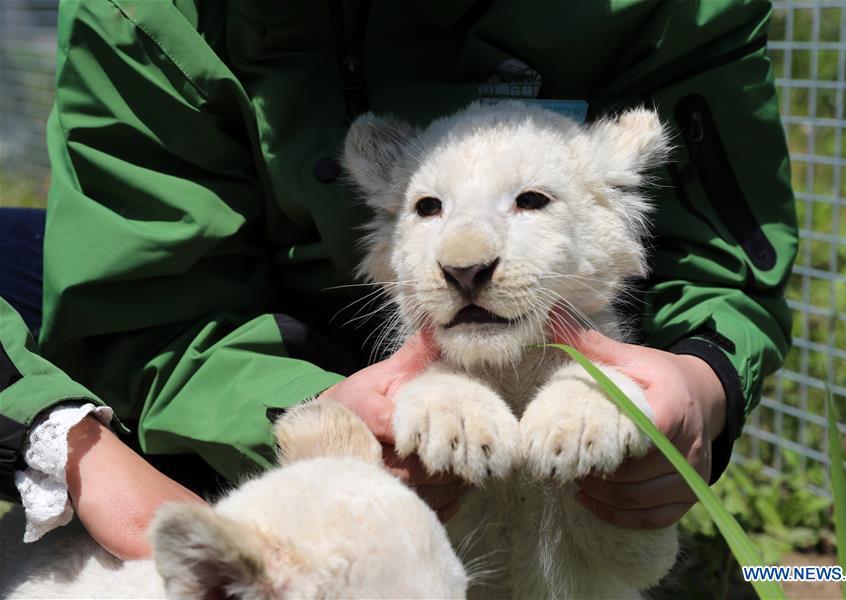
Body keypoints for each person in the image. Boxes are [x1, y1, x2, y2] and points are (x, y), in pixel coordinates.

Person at [0, 0, 796, 561]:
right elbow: (139, 305)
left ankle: (791, 573)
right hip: (288, 340)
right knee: (20, 251)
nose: (468, 252)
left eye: (531, 201)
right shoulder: (147, 12)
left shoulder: (666, 19)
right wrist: (304, 419)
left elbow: (727, 257)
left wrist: (706, 377)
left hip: (581, 347)